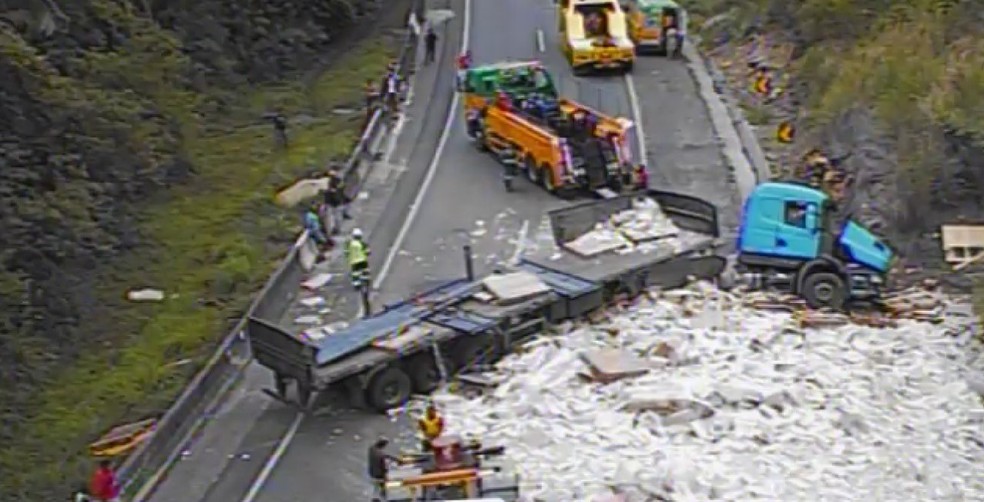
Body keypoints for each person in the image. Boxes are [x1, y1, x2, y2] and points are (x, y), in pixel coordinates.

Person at [323, 169, 351, 234]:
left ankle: (336, 229)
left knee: (336, 217)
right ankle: (335, 229)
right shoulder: (331, 182)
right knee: (334, 217)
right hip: (333, 202)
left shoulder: (336, 182)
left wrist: (334, 190)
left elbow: (340, 187)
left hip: (336, 202)